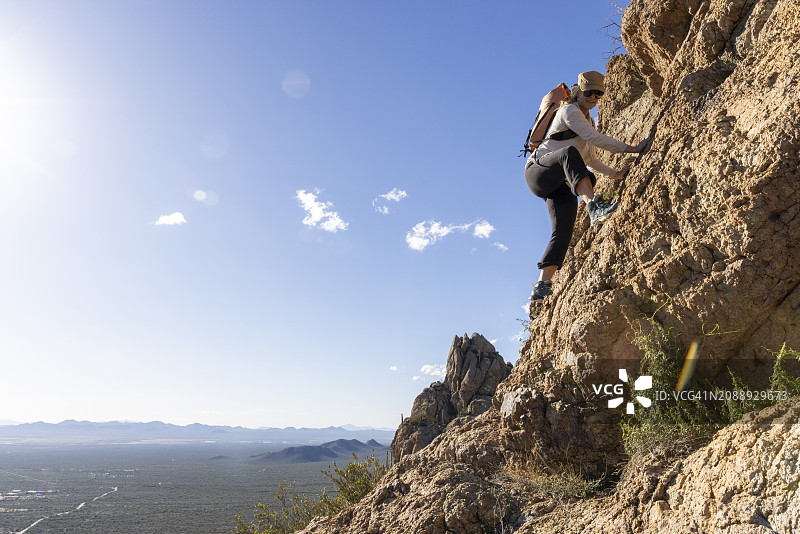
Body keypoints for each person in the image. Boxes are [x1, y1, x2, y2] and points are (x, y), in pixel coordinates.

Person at [525, 71, 649, 302]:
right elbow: (594, 138)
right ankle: (594, 206)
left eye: (598, 94)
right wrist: (632, 149)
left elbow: (590, 159)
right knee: (569, 154)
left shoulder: (588, 120)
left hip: (558, 183)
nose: (593, 97)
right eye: (589, 92)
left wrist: (615, 174)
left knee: (563, 229)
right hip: (537, 172)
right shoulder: (569, 111)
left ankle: (542, 284)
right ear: (578, 93)